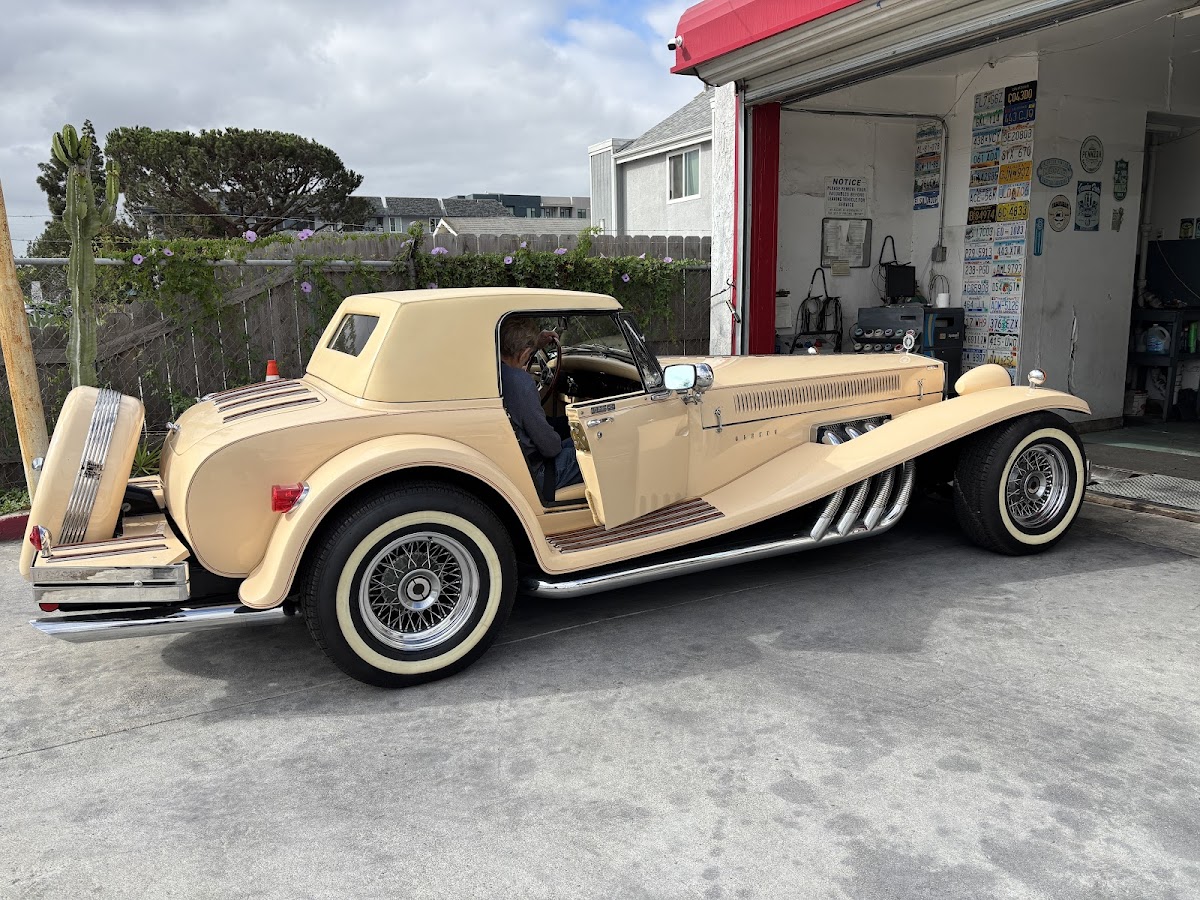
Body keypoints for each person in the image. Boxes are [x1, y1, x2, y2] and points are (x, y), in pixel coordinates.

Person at [499, 317, 583, 495]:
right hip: (538, 473)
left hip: (516, 466)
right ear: (524, 354)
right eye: (529, 356)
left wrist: (535, 345)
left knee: (574, 438)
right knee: (598, 452)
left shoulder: (496, 372)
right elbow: (550, 447)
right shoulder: (519, 382)